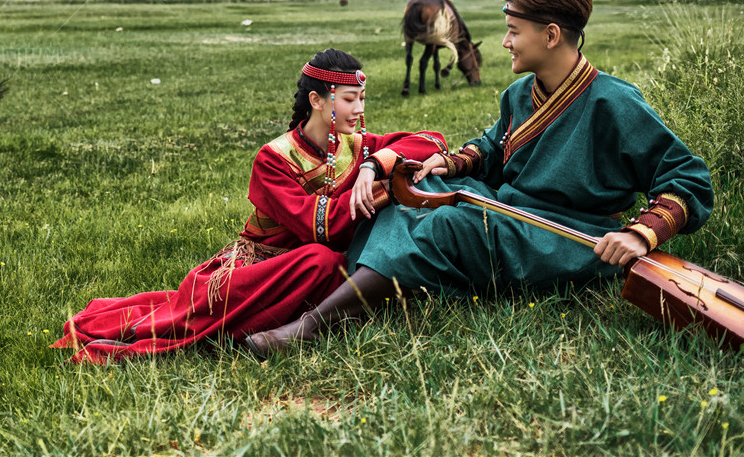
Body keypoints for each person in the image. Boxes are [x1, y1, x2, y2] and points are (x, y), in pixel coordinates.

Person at [246, 0, 714, 356]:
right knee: (412, 193)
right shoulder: (519, 95)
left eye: (514, 31)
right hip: (508, 209)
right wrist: (447, 165)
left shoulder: (614, 103)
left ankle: (314, 323)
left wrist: (639, 234)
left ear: (551, 35)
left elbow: (688, 178)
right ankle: (368, 287)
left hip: (565, 235)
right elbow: (490, 149)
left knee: (448, 226)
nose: (506, 43)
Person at [52, 49, 452, 363]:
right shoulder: (273, 158)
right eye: (350, 99)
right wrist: (390, 187)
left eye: (363, 98)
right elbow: (322, 228)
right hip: (255, 266)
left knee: (334, 261)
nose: (360, 109)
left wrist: (374, 164)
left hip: (311, 261)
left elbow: (432, 139)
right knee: (323, 260)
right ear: (317, 100)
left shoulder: (357, 145)